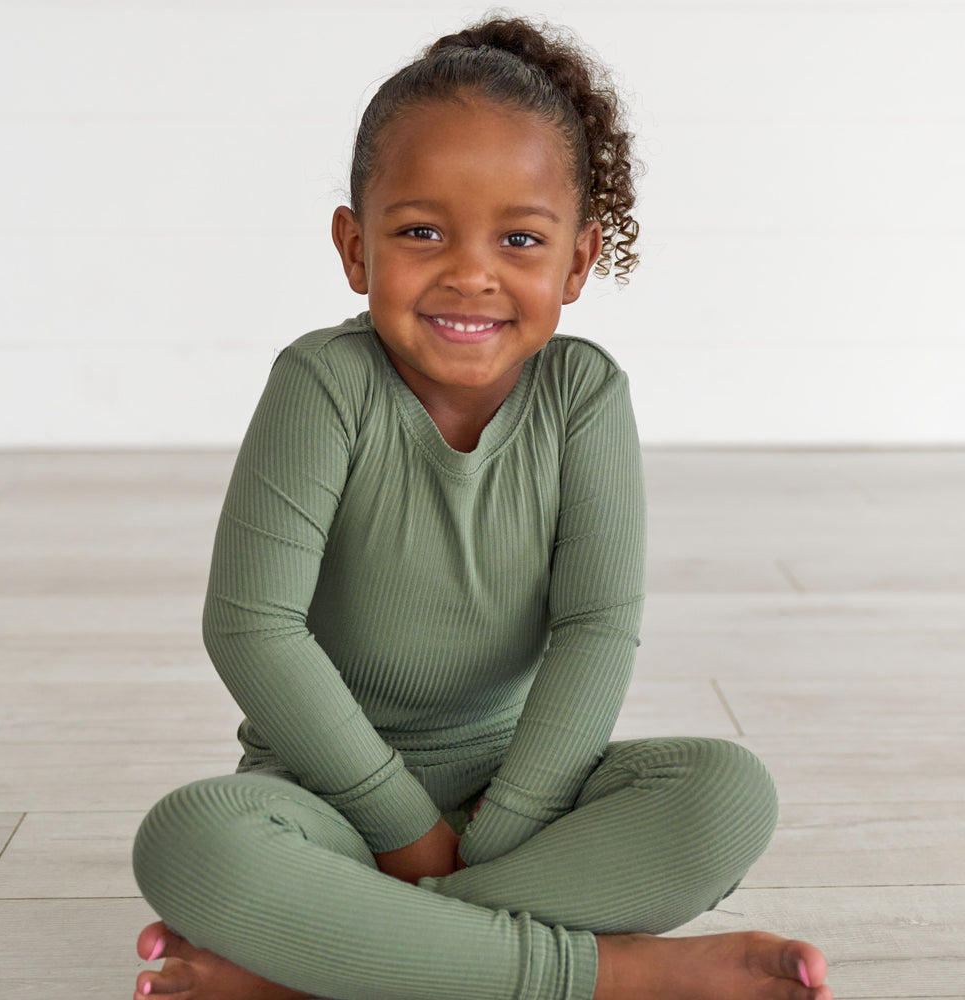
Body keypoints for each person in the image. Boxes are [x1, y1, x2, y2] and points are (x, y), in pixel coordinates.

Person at [131, 15, 831, 1000]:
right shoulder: (322, 385)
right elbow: (253, 626)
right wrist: (402, 828)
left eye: (519, 238)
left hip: (522, 799)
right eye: (421, 231)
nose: (470, 271)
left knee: (724, 799)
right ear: (353, 245)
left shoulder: (584, 396)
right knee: (193, 841)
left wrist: (493, 827)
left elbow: (596, 625)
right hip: (324, 799)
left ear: (577, 261)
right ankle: (612, 974)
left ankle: (327, 966)